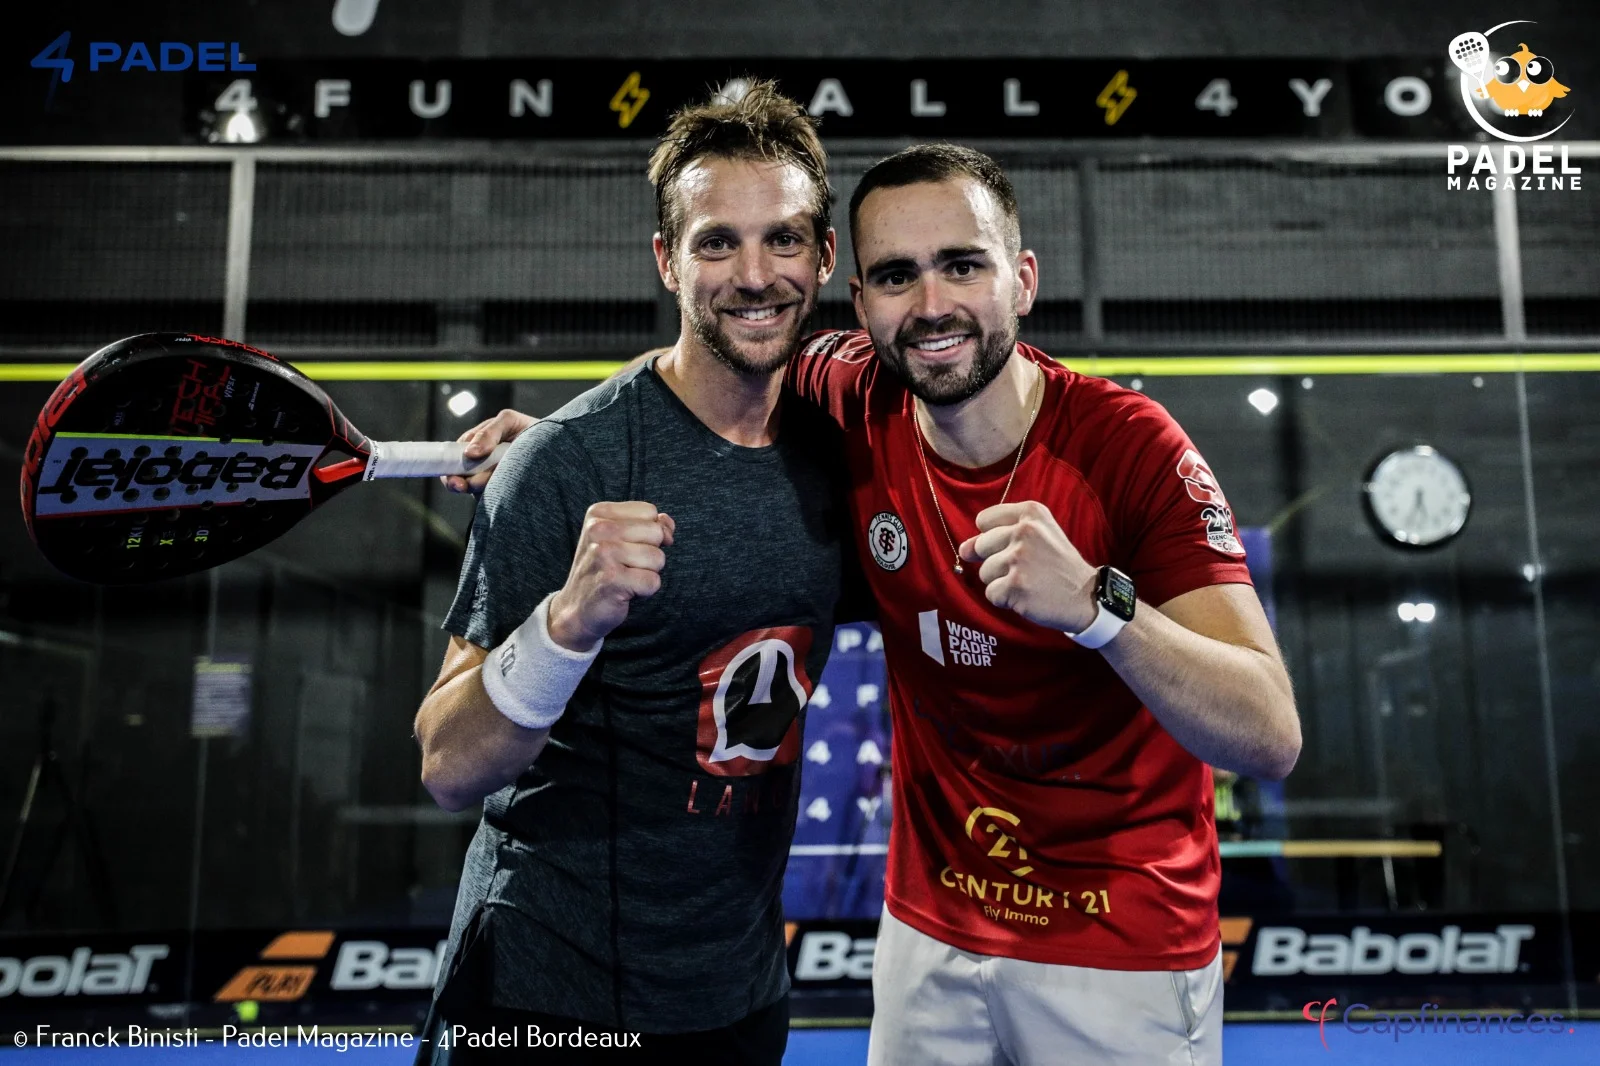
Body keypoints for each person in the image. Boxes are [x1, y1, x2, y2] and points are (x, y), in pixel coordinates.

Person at [455, 143, 1302, 1065]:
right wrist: (565, 451)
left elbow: (1268, 735)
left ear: (1022, 279)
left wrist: (1102, 609)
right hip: (927, 935)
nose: (932, 305)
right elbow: (703, 374)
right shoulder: (850, 393)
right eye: (898, 276)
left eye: (963, 265)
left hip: (1117, 948)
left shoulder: (1131, 448)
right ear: (858, 305)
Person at [413, 81, 854, 1064]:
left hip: (736, 996)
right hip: (543, 990)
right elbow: (446, 764)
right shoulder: (566, 463)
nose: (753, 274)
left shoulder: (840, 461)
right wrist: (564, 624)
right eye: (714, 242)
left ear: (824, 256)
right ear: (666, 259)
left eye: (782, 239)